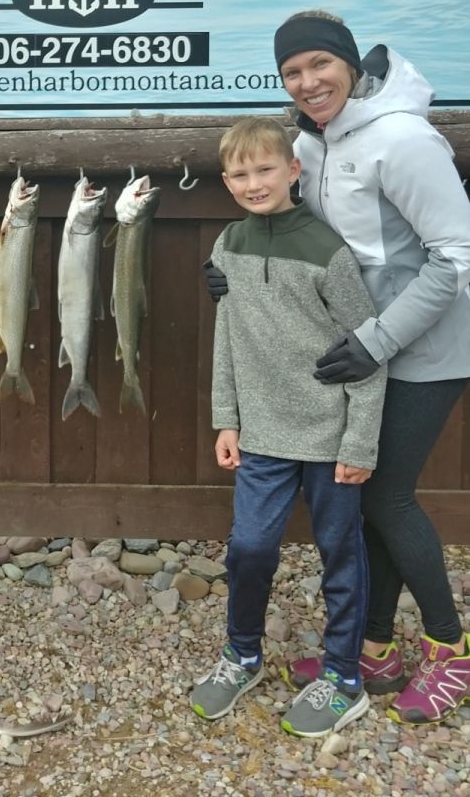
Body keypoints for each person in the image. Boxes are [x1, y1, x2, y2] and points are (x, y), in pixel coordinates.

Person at [207, 10, 470, 725]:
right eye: (292, 71)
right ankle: (375, 648)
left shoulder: (405, 141)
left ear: (351, 66)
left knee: (384, 499)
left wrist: (379, 339)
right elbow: (292, 232)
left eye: (320, 64)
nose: (308, 81)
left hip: (424, 350)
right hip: (362, 354)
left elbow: (457, 254)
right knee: (370, 500)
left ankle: (451, 650)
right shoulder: (307, 143)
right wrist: (236, 273)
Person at [191, 117, 387, 738]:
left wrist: (360, 441)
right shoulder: (228, 246)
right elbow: (227, 337)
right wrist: (227, 418)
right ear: (227, 182)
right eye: (241, 174)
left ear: (294, 170)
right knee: (249, 548)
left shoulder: (328, 252)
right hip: (263, 436)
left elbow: (368, 350)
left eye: (265, 169)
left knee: (340, 555)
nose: (254, 183)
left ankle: (343, 678)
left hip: (331, 438)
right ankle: (241, 655)